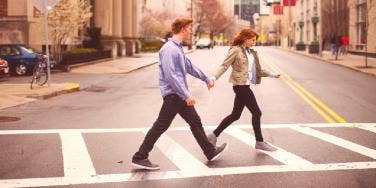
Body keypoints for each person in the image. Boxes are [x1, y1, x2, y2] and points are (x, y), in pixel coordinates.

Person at [131, 18, 228, 170]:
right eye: (189, 28)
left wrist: (206, 78)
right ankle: (140, 156)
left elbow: (190, 67)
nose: (191, 31)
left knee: (195, 122)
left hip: (178, 96)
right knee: (160, 126)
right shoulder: (170, 49)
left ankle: (210, 151)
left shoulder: (177, 48)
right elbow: (171, 76)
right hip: (174, 95)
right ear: (183, 29)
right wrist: (186, 95)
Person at [207, 28, 280, 152]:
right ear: (245, 39)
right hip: (240, 87)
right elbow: (224, 65)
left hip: (245, 86)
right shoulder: (235, 50)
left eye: (254, 41)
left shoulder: (250, 53)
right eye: (252, 40)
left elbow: (257, 70)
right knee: (257, 112)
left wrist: (272, 74)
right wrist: (213, 77)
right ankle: (259, 141)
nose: (254, 42)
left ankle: (212, 136)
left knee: (235, 115)